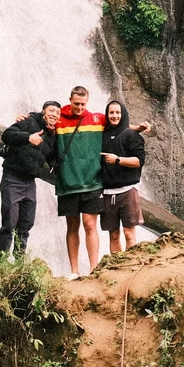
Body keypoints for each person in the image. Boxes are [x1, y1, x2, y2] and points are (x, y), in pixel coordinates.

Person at [0, 101, 61, 258]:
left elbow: (53, 156)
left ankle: (19, 261)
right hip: (12, 178)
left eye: (58, 113)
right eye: (51, 111)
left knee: (26, 224)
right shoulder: (29, 121)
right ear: (43, 112)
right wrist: (28, 138)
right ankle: (2, 262)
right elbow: (7, 135)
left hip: (30, 182)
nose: (54, 114)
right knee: (9, 224)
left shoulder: (53, 135)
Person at [54, 87, 105, 279]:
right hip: (68, 182)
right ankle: (74, 271)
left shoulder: (97, 120)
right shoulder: (59, 121)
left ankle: (93, 269)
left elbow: (119, 122)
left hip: (93, 180)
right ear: (70, 100)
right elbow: (41, 120)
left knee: (90, 224)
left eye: (83, 104)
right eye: (76, 103)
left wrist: (139, 128)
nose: (80, 107)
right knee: (72, 226)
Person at [100, 100, 145, 251]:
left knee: (129, 233)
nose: (114, 116)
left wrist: (117, 160)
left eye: (118, 112)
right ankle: (117, 268)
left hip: (127, 191)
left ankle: (131, 264)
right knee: (113, 235)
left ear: (123, 114)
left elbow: (139, 161)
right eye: (111, 112)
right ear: (107, 114)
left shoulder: (131, 135)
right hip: (107, 193)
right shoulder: (102, 136)